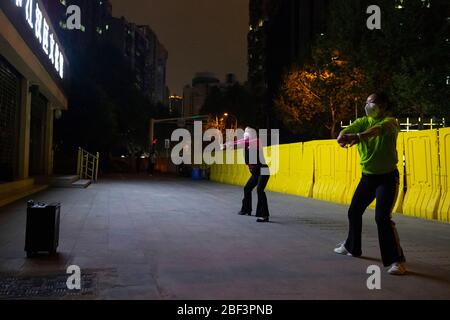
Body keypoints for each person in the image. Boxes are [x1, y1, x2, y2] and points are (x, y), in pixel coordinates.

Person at [334, 92, 407, 275]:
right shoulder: (363, 121)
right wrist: (341, 136)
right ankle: (352, 247)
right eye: (366, 102)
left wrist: (358, 137)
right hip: (368, 178)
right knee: (354, 211)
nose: (368, 106)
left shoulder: (391, 122)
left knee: (382, 218)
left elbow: (376, 131)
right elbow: (349, 129)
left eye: (371, 102)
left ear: (382, 105)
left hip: (387, 178)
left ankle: (397, 261)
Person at [222, 127, 271, 223]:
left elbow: (241, 142)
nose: (245, 134)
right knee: (247, 188)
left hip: (263, 170)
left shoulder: (256, 141)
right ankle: (246, 209)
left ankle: (264, 215)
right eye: (244, 132)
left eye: (247, 132)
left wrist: (230, 143)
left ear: (252, 134)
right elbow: (241, 142)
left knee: (260, 190)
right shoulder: (246, 145)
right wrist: (227, 144)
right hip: (256, 173)